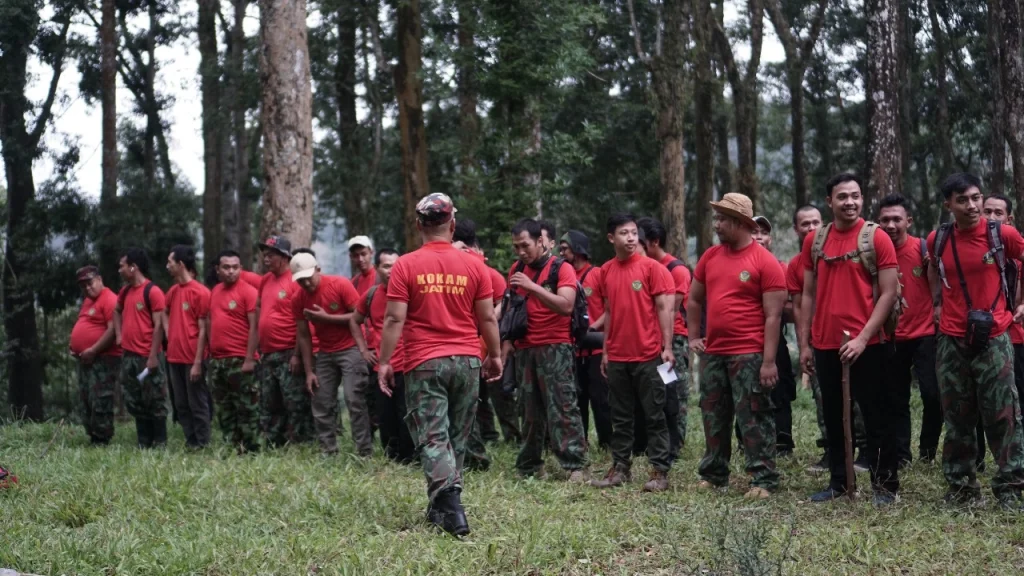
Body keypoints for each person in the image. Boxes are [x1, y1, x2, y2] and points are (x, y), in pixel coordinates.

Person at [377, 192, 502, 537]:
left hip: (425, 363)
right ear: (453, 225)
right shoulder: (476, 266)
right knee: (456, 438)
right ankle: (439, 505)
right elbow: (488, 318)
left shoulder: (405, 265)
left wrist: (385, 361)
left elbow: (393, 320)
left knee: (433, 438)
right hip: (467, 361)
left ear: (418, 225)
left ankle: (452, 508)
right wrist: (494, 354)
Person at [798, 173, 902, 506]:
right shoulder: (815, 240)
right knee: (833, 416)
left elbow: (889, 293)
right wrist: (805, 344)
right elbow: (808, 295)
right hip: (826, 343)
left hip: (868, 345)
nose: (850, 202)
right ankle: (840, 483)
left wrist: (863, 338)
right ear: (829, 201)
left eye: (855, 196)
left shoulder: (877, 238)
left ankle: (885, 486)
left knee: (877, 416)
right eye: (842, 196)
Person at [927, 173, 1024, 509]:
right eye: (963, 200)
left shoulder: (1002, 235)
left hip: (995, 337)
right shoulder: (937, 239)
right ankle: (962, 489)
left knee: (1003, 415)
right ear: (948, 204)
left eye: (976, 198)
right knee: (957, 416)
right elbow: (933, 270)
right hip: (952, 340)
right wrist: (937, 304)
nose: (972, 206)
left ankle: (1010, 488)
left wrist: (1017, 306)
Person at [688, 196, 787, 499]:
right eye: (716, 219)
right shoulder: (710, 257)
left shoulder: (764, 261)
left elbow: (774, 316)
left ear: (743, 223)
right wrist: (694, 337)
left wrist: (769, 362)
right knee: (713, 414)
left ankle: (763, 479)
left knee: (754, 416)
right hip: (714, 353)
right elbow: (693, 299)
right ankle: (714, 474)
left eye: (723, 220)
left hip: (749, 354)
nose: (716, 225)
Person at [590, 213, 676, 492]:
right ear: (611, 238)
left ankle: (659, 472)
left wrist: (667, 347)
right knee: (620, 416)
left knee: (655, 415)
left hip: (649, 356)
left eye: (633, 232)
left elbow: (665, 309)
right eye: (624, 233)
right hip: (617, 357)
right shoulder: (606, 271)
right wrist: (605, 351)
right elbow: (610, 312)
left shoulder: (653, 269)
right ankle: (620, 469)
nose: (630, 237)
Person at [505, 218, 589, 481]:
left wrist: (532, 287)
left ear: (540, 241)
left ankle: (575, 465)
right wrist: (506, 343)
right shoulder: (515, 269)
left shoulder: (561, 268)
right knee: (529, 410)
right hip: (525, 348)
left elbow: (566, 305)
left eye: (525, 245)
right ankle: (530, 465)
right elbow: (512, 309)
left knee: (563, 407)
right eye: (516, 246)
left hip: (556, 347)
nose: (520, 252)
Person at [787, 205, 868, 473]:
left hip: (853, 334)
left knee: (859, 396)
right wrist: (804, 342)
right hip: (819, 339)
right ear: (796, 229)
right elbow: (800, 305)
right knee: (825, 399)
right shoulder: (797, 264)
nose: (811, 228)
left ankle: (865, 451)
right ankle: (832, 454)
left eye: (815, 222)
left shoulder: (843, 248)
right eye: (804, 224)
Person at [877, 194, 942, 465]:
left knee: (933, 394)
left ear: (909, 221)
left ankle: (927, 452)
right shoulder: (876, 252)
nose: (891, 224)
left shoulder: (921, 248)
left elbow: (938, 283)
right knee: (896, 399)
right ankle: (902, 455)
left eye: (897, 219)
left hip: (926, 332)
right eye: (885, 220)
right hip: (891, 336)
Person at [292, 252, 368, 456]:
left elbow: (359, 317)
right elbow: (304, 336)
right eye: (300, 280)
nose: (306, 283)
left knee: (354, 399)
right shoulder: (298, 298)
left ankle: (364, 451)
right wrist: (309, 371)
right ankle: (328, 450)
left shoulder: (340, 284)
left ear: (318, 269)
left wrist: (326, 318)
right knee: (321, 400)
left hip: (351, 347)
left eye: (308, 277)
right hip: (325, 352)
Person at [454, 218, 519, 445]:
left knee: (499, 393)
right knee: (476, 396)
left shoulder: (490, 275)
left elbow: (505, 308)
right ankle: (488, 435)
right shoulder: (456, 274)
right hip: (467, 344)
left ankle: (513, 436)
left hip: (491, 342)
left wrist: (496, 346)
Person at [353, 248, 415, 464]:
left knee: (407, 414)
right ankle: (392, 457)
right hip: (381, 366)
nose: (391, 270)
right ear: (377, 268)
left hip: (408, 365)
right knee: (385, 416)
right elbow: (355, 320)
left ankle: (411, 458)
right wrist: (363, 349)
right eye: (386, 266)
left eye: (396, 265)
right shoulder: (370, 295)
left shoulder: (412, 292)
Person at [637, 217, 690, 461]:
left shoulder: (675, 269)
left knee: (672, 391)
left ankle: (675, 443)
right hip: (647, 340)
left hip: (673, 341)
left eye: (639, 240)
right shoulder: (641, 267)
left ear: (654, 242)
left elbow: (669, 308)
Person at [977, 194, 1022, 472]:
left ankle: (1016, 461)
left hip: (1016, 336)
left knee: (1015, 402)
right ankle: (977, 460)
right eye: (987, 212)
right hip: (982, 336)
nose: (992, 218)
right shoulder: (971, 248)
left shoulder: (1015, 251)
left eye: (998, 213)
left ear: (1009, 219)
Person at [256, 236, 314, 447]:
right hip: (267, 352)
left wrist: (297, 355)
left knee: (295, 402)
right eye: (265, 254)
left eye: (271, 255)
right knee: (269, 401)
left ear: (284, 257)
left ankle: (301, 443)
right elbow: (260, 312)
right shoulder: (265, 280)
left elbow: (302, 323)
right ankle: (273, 444)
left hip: (288, 351)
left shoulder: (295, 281)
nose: (266, 259)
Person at [750, 216, 798, 458]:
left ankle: (783, 442)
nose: (758, 236)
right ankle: (747, 442)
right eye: (753, 231)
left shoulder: (782, 267)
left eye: (763, 232)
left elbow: (790, 307)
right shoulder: (737, 266)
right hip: (744, 339)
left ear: (770, 238)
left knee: (779, 389)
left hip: (775, 338)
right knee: (746, 391)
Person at [559, 230, 612, 449]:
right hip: (574, 349)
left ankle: (608, 443)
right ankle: (581, 443)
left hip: (596, 348)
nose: (561, 252)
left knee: (601, 400)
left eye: (565, 248)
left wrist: (592, 327)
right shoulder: (564, 275)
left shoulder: (597, 274)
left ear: (577, 249)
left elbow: (610, 308)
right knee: (576, 400)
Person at [113, 248, 169, 448]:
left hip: (148, 357)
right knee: (135, 398)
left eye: (122, 266)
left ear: (133, 267)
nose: (119, 270)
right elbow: (116, 311)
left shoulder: (152, 291)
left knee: (155, 398)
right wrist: (119, 335)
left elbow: (159, 327)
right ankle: (143, 442)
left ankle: (160, 442)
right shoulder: (125, 291)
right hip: (129, 356)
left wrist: (153, 356)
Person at [207, 250, 261, 453]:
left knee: (247, 407)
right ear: (218, 270)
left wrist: (249, 358)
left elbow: (255, 327)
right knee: (225, 408)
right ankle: (231, 446)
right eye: (226, 267)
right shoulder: (215, 291)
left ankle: (252, 449)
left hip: (240, 360)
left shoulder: (248, 292)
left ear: (241, 269)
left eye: (235, 267)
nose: (230, 271)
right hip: (218, 361)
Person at [164, 245, 213, 449]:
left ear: (181, 264)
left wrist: (197, 362)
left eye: (170, 262)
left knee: (197, 402)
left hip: (193, 357)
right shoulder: (173, 291)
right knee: (181, 404)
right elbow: (164, 313)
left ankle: (202, 442)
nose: (167, 266)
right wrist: (170, 334)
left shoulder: (201, 292)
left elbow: (203, 329)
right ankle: (190, 440)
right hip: (174, 357)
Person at [70, 265, 121, 446]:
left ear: (99, 279)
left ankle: (102, 437)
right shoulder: (88, 301)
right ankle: (93, 435)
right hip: (86, 359)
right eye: (83, 285)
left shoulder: (109, 299)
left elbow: (113, 330)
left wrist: (94, 349)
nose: (87, 288)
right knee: (87, 398)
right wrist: (76, 347)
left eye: (90, 283)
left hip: (104, 358)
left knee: (101, 398)